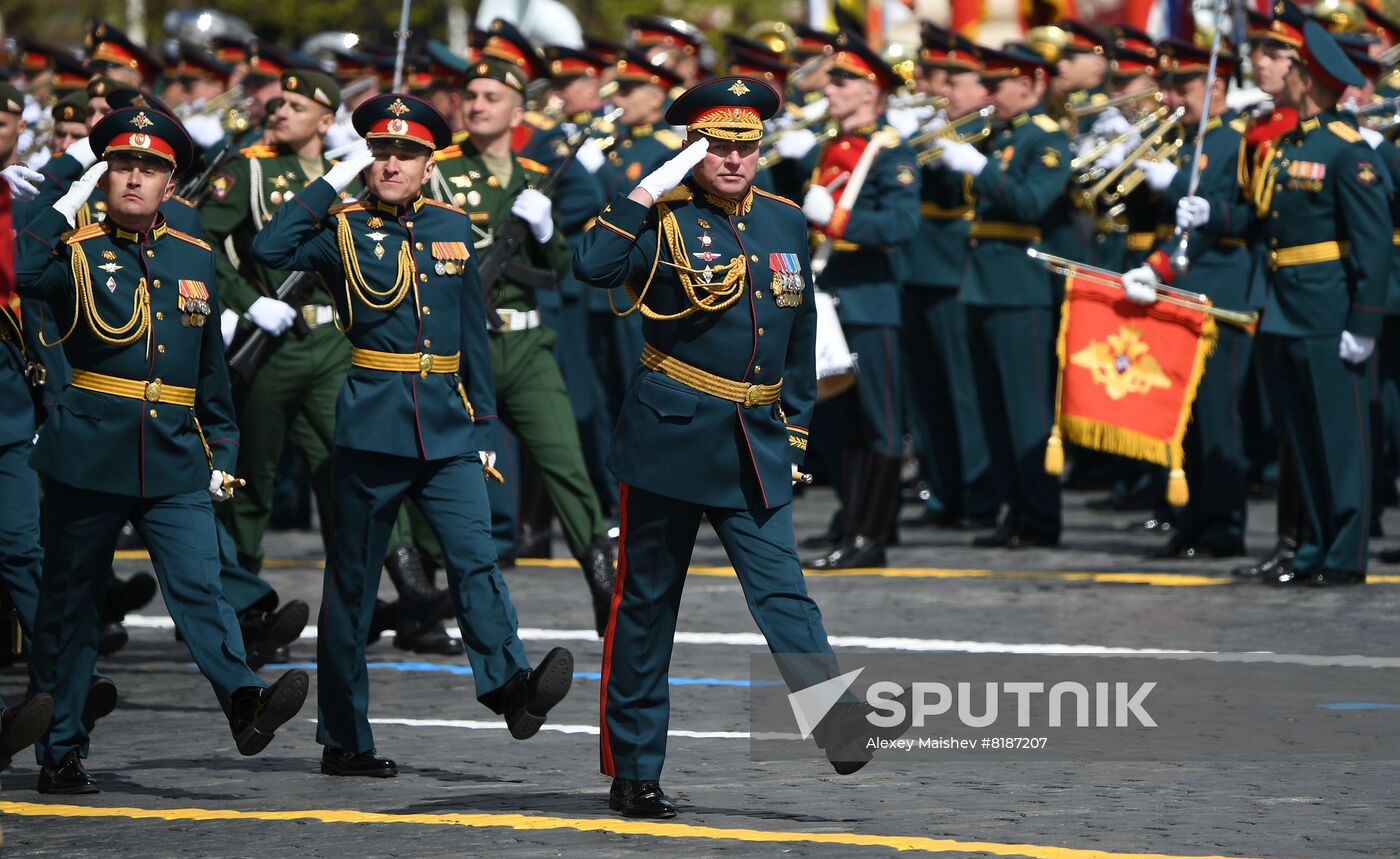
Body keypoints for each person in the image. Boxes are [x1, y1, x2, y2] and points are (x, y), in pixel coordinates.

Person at [575, 74, 894, 820]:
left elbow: (803, 333)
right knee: (647, 608)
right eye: (717, 146)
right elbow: (592, 267)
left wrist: (797, 431)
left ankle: (836, 718)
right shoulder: (662, 215)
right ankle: (634, 769)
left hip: (754, 439)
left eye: (745, 146)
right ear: (692, 149)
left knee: (784, 590)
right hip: (670, 437)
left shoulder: (785, 220)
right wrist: (646, 192)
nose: (732, 159)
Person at [249, 92, 573, 777]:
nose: (391, 163)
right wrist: (330, 179)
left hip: (448, 424)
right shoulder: (340, 229)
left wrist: (484, 421)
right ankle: (343, 737)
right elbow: (268, 246)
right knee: (353, 586)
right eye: (380, 152)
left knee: (476, 557)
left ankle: (509, 687)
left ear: (430, 164)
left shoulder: (454, 225)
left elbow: (471, 336)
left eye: (406, 154)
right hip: (373, 425)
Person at [16, 106, 308, 794]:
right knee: (69, 604)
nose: (133, 178)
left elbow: (211, 371)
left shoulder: (194, 256)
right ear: (104, 175)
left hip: (174, 451)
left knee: (201, 584)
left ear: (171, 184)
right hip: (89, 450)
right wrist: (63, 202)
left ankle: (244, 700)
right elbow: (19, 270)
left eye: (148, 169)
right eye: (121, 166)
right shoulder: (74, 249)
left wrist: (225, 445)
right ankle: (59, 749)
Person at [426, 26, 616, 633]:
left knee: (565, 461)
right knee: (441, 470)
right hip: (457, 348)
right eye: (471, 95)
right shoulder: (435, 169)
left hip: (526, 341)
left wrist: (546, 230)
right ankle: (425, 591)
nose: (478, 104)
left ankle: (602, 578)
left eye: (491, 96)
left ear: (517, 108)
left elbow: (563, 270)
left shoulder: (535, 174)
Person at [1249, 21, 1392, 586]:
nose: (1279, 73)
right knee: (1301, 439)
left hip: (1329, 311)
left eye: (1290, 67)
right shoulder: (1294, 144)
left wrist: (1364, 322)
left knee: (1340, 440)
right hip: (1286, 306)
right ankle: (1310, 548)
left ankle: (1344, 554)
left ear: (1307, 80)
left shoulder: (1346, 150)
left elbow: (1374, 244)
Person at [1121, 40, 1257, 560]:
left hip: (1222, 282)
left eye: (1186, 85)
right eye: (1172, 84)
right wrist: (1155, 268)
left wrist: (1176, 183)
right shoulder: (1187, 138)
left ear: (1216, 87)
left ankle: (1224, 523)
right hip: (1184, 281)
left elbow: (1239, 215)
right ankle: (1195, 518)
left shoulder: (1234, 139)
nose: (1173, 94)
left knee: (1219, 413)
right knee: (1189, 410)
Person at [938, 44, 1072, 548]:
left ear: (1032, 84)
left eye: (1000, 85)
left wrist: (980, 169)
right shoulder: (1004, 136)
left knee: (1025, 412)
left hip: (1021, 290)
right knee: (995, 412)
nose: (990, 95)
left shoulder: (1046, 138)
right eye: (988, 86)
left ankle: (1039, 517)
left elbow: (1033, 203)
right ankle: (1013, 512)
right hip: (984, 285)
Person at [797, 30, 921, 569]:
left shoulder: (889, 149)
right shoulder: (833, 144)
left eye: (843, 81)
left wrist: (838, 220)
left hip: (870, 300)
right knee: (842, 422)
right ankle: (851, 524)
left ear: (871, 91)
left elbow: (901, 223)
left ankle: (873, 536)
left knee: (880, 420)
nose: (832, 88)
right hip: (834, 299)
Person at [901, 24, 999, 530]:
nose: (935, 87)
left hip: (954, 268)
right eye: (934, 75)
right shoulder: (924, 126)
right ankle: (942, 492)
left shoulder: (983, 131)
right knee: (926, 395)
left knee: (964, 392)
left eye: (947, 77)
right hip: (915, 268)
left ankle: (979, 494)